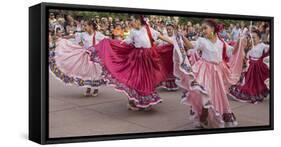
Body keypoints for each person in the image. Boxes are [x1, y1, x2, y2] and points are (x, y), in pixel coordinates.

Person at [92, 15, 174, 111]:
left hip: (148, 58)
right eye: (131, 20)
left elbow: (160, 36)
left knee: (147, 79)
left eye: (132, 20)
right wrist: (111, 43)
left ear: (138, 21)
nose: (131, 22)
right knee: (136, 79)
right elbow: (126, 43)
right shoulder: (133, 32)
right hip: (137, 58)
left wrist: (172, 43)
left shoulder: (147, 29)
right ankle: (133, 101)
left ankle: (144, 101)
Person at [177, 19, 247, 128]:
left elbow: (232, 51)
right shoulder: (202, 41)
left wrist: (240, 41)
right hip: (205, 71)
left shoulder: (221, 42)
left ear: (213, 29)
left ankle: (210, 118)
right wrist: (182, 37)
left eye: (205, 28)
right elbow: (191, 46)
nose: (203, 30)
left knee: (217, 96)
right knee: (206, 94)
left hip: (218, 72)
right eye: (202, 28)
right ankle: (203, 117)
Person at [49, 20, 105, 97]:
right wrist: (62, 37)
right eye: (84, 26)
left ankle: (96, 88)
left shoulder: (98, 35)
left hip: (96, 57)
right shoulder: (83, 34)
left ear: (91, 26)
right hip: (86, 56)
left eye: (86, 25)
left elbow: (107, 41)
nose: (84, 27)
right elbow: (73, 36)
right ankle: (88, 88)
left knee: (95, 72)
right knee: (87, 72)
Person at [229, 30, 269, 103]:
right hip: (250, 66)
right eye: (251, 37)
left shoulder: (263, 46)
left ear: (259, 38)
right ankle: (250, 93)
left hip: (258, 67)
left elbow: (267, 52)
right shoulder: (250, 46)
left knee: (257, 82)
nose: (253, 39)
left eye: (254, 37)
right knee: (249, 82)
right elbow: (247, 55)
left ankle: (258, 94)